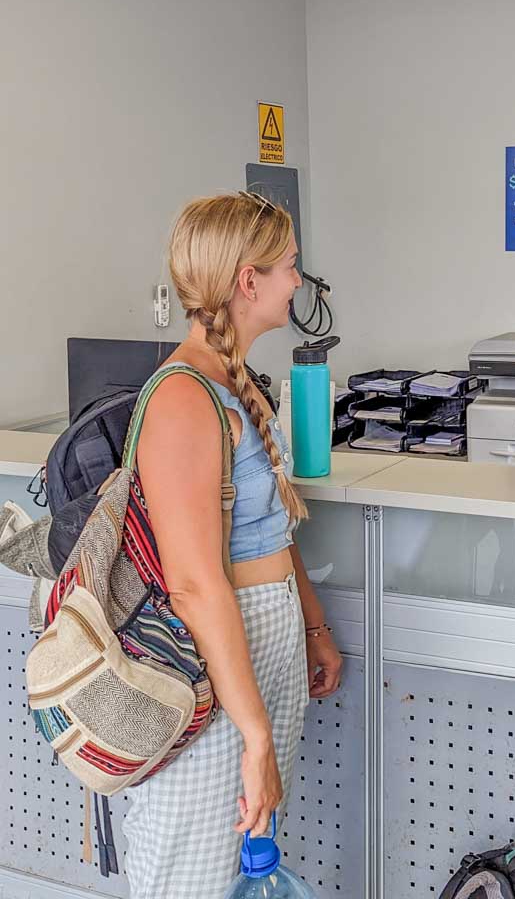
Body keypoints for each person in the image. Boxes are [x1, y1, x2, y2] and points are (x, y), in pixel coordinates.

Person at [123, 192, 343, 898]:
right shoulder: (182, 397)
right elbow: (193, 584)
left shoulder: (235, 381)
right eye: (289, 268)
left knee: (242, 860)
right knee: (192, 866)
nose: (297, 284)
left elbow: (274, 524)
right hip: (213, 656)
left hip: (263, 636)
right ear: (248, 282)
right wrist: (252, 737)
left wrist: (310, 622)